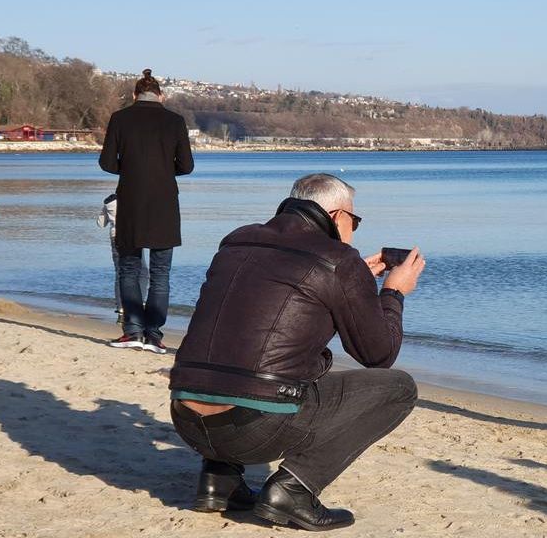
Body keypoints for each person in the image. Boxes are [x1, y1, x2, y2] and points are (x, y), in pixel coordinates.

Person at [168, 173, 425, 531]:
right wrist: (393, 293)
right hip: (254, 426)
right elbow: (379, 355)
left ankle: (219, 480)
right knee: (399, 388)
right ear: (337, 216)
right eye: (355, 221)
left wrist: (355, 280)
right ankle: (295, 488)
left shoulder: (238, 240)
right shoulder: (339, 260)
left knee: (234, 352)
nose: (354, 230)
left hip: (187, 420)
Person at [98, 69, 194, 354]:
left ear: (134, 95)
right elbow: (186, 166)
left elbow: (106, 162)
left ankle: (133, 331)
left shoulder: (120, 118)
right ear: (161, 96)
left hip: (131, 201)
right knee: (161, 273)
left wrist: (130, 169)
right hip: (164, 203)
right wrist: (163, 169)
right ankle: (154, 336)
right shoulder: (175, 121)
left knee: (129, 269)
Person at [96, 193, 147, 323]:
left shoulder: (109, 202)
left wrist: (107, 211)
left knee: (120, 273)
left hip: (115, 237)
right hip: (132, 237)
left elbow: (100, 223)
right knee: (142, 271)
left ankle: (121, 310)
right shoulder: (131, 199)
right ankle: (140, 303)